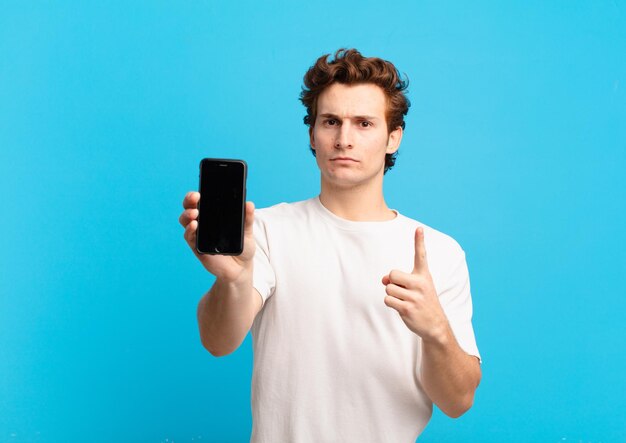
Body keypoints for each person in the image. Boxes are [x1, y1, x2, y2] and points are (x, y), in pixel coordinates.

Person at [179, 48, 482, 442]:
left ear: (393, 137)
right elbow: (218, 343)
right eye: (331, 121)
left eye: (364, 124)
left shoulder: (438, 252)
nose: (344, 139)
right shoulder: (266, 232)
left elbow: (458, 401)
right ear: (313, 134)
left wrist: (436, 331)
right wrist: (234, 280)